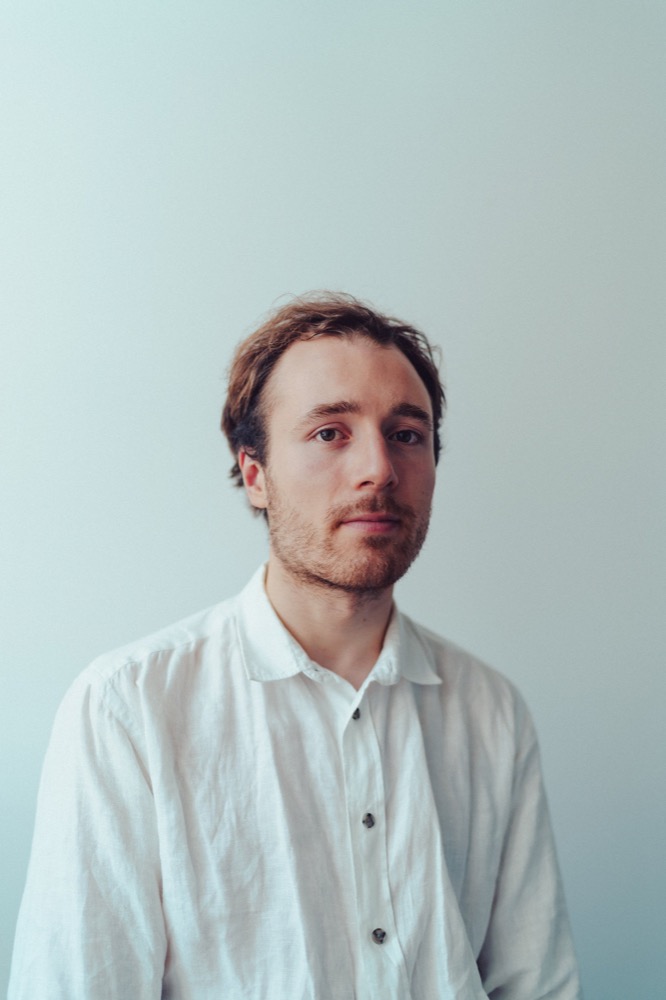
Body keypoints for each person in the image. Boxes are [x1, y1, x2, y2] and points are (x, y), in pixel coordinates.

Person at [9, 293, 582, 999]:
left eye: (406, 433)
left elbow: (536, 984)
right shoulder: (129, 710)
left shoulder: (491, 712)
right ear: (255, 474)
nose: (378, 468)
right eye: (329, 433)